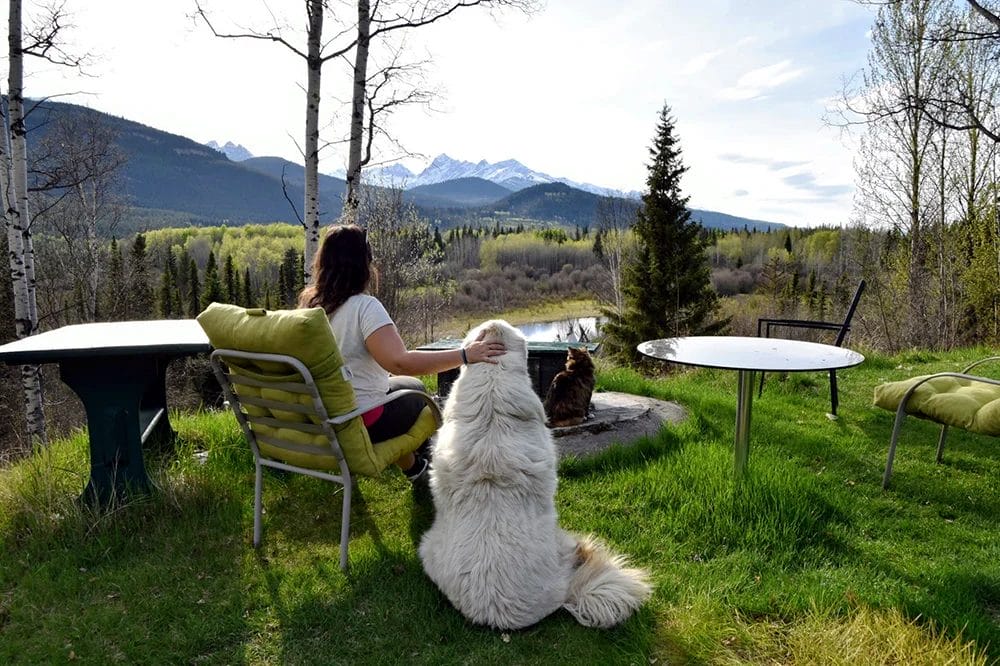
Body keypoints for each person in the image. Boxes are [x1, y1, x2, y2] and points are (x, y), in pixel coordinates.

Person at [298, 223, 505, 483]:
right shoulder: (364, 307)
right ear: (363, 264)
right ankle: (439, 470)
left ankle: (416, 468)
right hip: (358, 421)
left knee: (411, 386)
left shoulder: (309, 306)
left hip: (322, 415)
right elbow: (400, 363)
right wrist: (465, 355)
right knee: (420, 399)